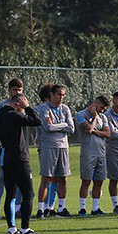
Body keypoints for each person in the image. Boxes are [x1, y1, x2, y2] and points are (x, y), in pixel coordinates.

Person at [0, 93, 42, 234]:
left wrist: (3, 152)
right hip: (20, 158)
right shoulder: (14, 115)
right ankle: (25, 228)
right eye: (23, 104)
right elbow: (37, 121)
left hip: (7, 160)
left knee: (10, 195)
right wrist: (28, 107)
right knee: (28, 193)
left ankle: (12, 228)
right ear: (18, 103)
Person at [36, 84, 74, 217]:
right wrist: (63, 125)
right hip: (48, 146)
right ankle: (41, 209)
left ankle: (61, 208)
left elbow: (71, 128)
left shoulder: (65, 109)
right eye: (58, 94)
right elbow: (48, 127)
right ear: (51, 95)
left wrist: (60, 125)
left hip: (63, 146)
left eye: (63, 95)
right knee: (46, 178)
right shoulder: (43, 108)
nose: (61, 97)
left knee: (62, 178)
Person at [0, 78, 24, 220]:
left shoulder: (23, 105)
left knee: (21, 179)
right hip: (6, 149)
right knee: (2, 178)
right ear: (9, 90)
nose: (17, 92)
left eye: (19, 90)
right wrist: (0, 150)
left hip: (19, 150)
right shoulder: (2, 106)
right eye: (14, 90)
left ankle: (17, 208)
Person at [75, 96, 110, 216]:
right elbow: (88, 128)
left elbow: (107, 133)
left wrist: (95, 131)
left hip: (101, 153)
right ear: (95, 103)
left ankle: (95, 208)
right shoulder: (80, 114)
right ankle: (82, 208)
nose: (102, 111)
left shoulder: (103, 117)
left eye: (104, 109)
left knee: (99, 181)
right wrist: (94, 117)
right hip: (88, 153)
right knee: (86, 181)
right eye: (101, 108)